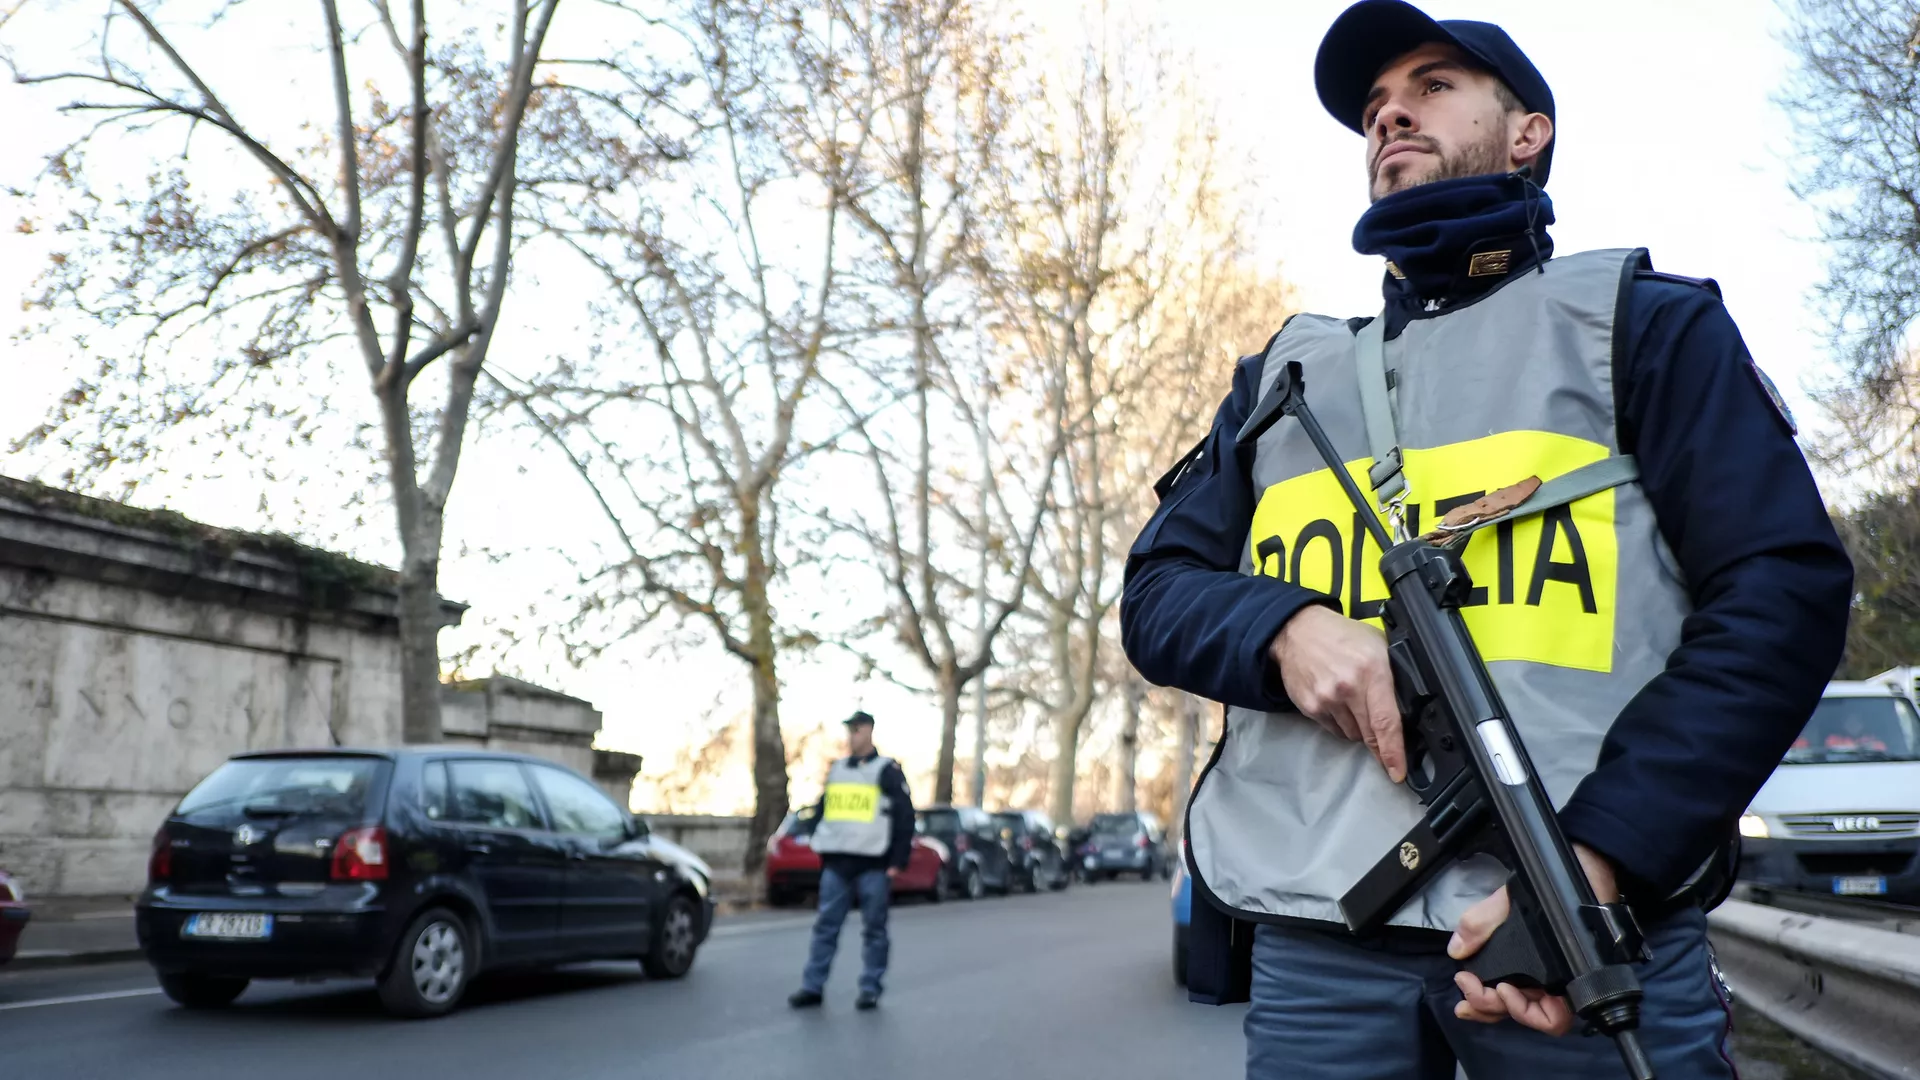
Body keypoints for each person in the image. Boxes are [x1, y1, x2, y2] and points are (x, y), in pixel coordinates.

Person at [1118, 3, 1854, 1078]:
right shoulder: (1284, 379)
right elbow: (1157, 592)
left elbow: (1781, 596)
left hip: (1586, 923)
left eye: (1433, 86)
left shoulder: (1644, 325)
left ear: (1527, 134)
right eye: (1374, 107)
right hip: (1322, 948)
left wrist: (1601, 857)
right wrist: (1283, 629)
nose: (1389, 115)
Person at [788, 711, 915, 1011]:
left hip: (873, 863)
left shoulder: (887, 770)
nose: (852, 735)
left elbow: (904, 817)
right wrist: (815, 838)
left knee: (874, 929)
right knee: (825, 927)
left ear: (869, 731)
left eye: (857, 729)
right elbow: (824, 810)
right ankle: (812, 987)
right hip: (837, 863)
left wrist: (897, 861)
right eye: (849, 730)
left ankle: (870, 988)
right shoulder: (838, 769)